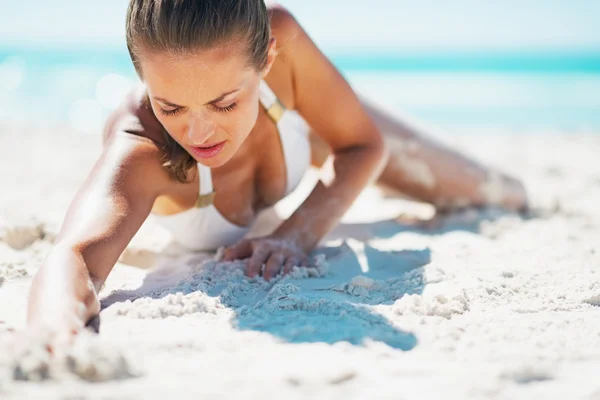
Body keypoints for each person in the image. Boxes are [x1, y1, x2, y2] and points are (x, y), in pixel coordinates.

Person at [26, 0, 527, 340]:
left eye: (224, 103)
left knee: (501, 192)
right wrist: (54, 331)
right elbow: (75, 260)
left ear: (267, 60)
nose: (199, 132)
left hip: (304, 121)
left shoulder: (280, 37)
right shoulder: (142, 146)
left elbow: (360, 145)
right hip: (294, 122)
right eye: (172, 106)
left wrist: (294, 236)